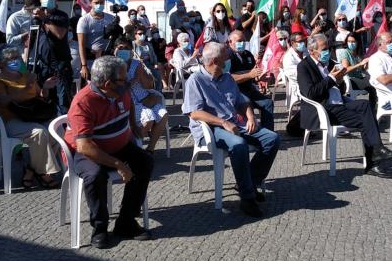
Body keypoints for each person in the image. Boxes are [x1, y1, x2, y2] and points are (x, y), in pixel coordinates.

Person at [182, 42, 280, 217]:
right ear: (214, 61)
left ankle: (249, 182)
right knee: (238, 144)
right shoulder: (195, 81)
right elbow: (195, 112)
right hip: (211, 129)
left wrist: (250, 116)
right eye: (225, 57)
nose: (228, 60)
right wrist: (223, 123)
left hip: (235, 124)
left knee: (272, 138)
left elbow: (242, 101)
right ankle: (247, 198)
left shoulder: (227, 78)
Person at [66, 55, 154, 248]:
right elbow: (85, 146)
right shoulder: (83, 102)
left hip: (118, 145)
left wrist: (133, 125)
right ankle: (100, 228)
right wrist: (118, 165)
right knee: (95, 176)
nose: (127, 82)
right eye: (123, 79)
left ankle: (126, 222)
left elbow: (129, 103)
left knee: (145, 162)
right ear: (107, 83)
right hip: (88, 151)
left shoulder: (120, 90)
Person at [297, 34, 392, 177]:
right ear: (312, 51)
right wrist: (331, 78)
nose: (327, 52)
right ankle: (373, 161)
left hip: (339, 103)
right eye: (324, 49)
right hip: (323, 109)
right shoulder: (304, 66)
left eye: (328, 48)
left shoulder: (329, 63)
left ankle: (377, 149)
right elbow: (311, 93)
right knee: (365, 121)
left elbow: (339, 89)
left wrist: (340, 81)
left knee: (365, 105)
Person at [0, 45, 61, 189]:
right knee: (39, 132)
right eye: (11, 59)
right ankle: (44, 173)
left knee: (56, 130)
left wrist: (45, 87)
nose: (16, 61)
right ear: (1, 63)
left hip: (33, 116)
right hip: (11, 120)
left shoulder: (26, 75)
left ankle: (31, 169)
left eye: (17, 57)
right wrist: (26, 87)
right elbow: (4, 101)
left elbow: (41, 96)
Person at [114, 39, 168, 153]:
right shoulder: (112, 65)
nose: (123, 51)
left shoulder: (136, 63)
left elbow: (148, 85)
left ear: (131, 50)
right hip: (128, 101)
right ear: (115, 50)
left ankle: (150, 149)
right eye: (120, 48)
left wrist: (142, 74)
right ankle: (134, 148)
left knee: (163, 114)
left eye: (126, 48)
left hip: (143, 97)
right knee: (149, 118)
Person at [227, 30, 274, 131]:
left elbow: (253, 74)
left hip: (249, 89)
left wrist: (260, 78)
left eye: (244, 41)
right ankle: (252, 133)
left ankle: (269, 132)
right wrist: (249, 75)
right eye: (239, 41)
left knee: (268, 102)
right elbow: (228, 78)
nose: (242, 43)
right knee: (248, 105)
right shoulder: (227, 55)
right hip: (235, 92)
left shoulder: (247, 54)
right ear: (230, 42)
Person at [33, 11, 74, 110]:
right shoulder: (41, 20)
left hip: (60, 68)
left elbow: (60, 34)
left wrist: (45, 20)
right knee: (45, 100)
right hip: (44, 68)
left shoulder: (60, 15)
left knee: (63, 102)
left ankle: (63, 118)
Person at [77, 0, 117, 81]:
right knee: (95, 86)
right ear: (90, 3)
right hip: (92, 61)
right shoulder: (84, 20)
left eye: (101, 2)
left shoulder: (111, 18)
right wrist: (84, 65)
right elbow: (81, 45)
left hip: (108, 59)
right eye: (96, 3)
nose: (99, 5)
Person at [336, 33, 376, 107]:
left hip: (360, 76)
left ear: (358, 42)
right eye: (349, 41)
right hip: (351, 79)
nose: (351, 44)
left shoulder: (358, 52)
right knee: (371, 84)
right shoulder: (345, 52)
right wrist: (360, 64)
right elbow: (345, 69)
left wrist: (366, 64)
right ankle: (372, 107)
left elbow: (362, 68)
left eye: (353, 42)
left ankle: (373, 106)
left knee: (375, 80)